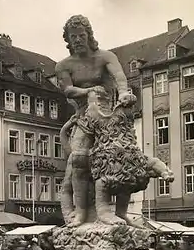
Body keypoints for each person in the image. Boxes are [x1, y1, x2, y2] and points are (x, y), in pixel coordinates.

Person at [55, 15, 135, 227]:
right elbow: (68, 90)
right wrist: (88, 90)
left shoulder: (105, 57)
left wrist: (125, 93)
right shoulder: (64, 65)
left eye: (82, 35)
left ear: (89, 36)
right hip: (83, 117)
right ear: (68, 40)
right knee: (79, 160)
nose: (78, 40)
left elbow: (119, 77)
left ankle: (119, 212)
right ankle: (80, 212)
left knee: (123, 160)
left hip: (108, 117)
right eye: (73, 37)